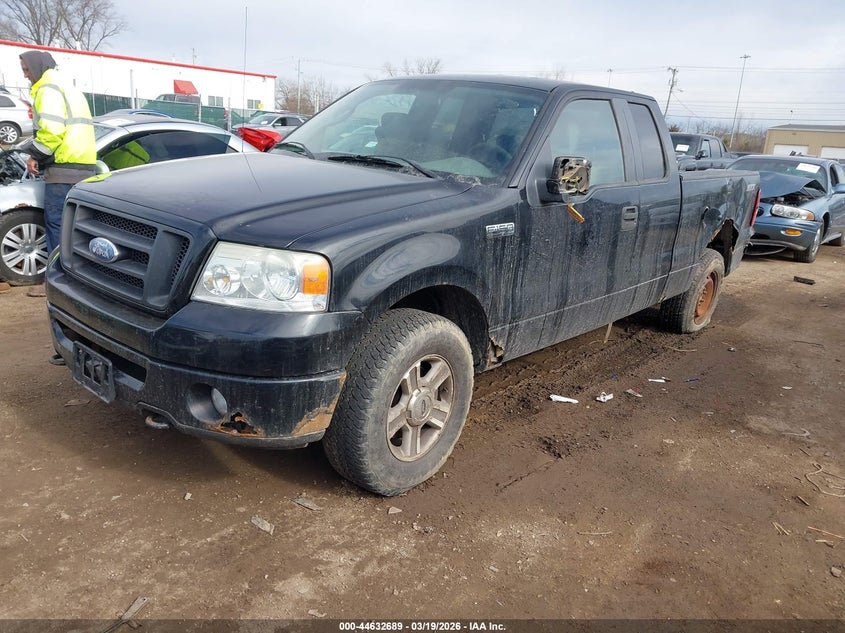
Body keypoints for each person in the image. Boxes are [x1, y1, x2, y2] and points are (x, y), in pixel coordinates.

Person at [19, 50, 96, 363]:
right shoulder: (67, 86)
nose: (25, 74)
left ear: (37, 66)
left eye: (26, 69)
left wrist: (35, 155)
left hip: (63, 170)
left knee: (57, 233)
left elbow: (51, 131)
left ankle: (58, 282)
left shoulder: (47, 88)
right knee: (76, 237)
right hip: (84, 168)